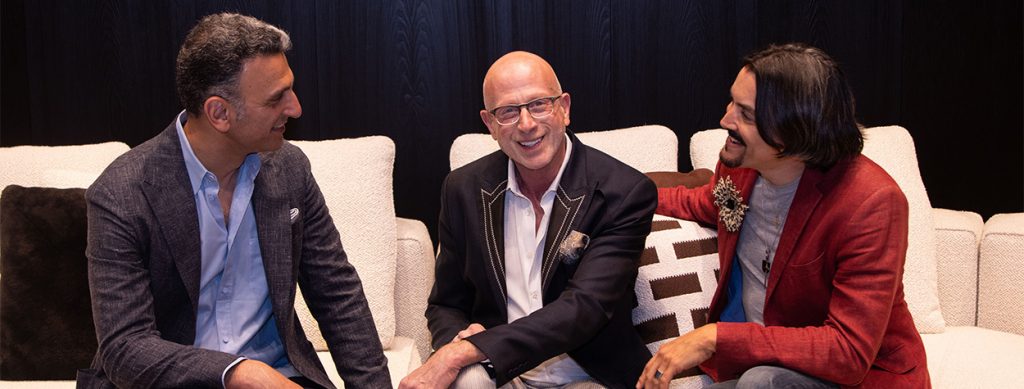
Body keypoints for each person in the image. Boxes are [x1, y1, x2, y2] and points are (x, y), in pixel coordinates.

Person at [78, 13, 390, 389]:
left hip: (283, 376)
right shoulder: (122, 194)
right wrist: (240, 371)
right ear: (219, 113)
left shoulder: (290, 169)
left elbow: (337, 293)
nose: (295, 108)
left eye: (290, 89)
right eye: (277, 99)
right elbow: (125, 347)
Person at [636, 43, 930, 389]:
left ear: (792, 134)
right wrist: (620, 193)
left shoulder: (872, 203)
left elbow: (848, 352)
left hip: (863, 379)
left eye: (745, 114)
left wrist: (713, 337)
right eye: (732, 102)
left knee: (760, 383)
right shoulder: (740, 169)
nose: (725, 120)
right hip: (772, 369)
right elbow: (699, 202)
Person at [399, 51, 657, 389]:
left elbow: (584, 308)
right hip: (500, 372)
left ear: (564, 108)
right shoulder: (462, 189)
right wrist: (456, 342)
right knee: (467, 383)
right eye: (507, 111)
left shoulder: (623, 192)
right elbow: (447, 302)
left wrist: (465, 352)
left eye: (539, 104)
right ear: (489, 124)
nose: (526, 124)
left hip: (589, 375)